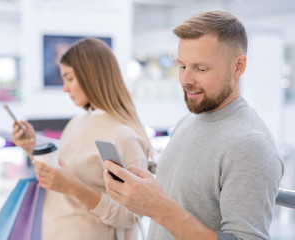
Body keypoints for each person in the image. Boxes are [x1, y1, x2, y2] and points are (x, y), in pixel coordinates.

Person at [103, 9, 284, 240]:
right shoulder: (187, 122)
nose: (186, 80)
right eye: (182, 66)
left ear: (238, 66)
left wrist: (158, 208)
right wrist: (146, 190)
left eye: (201, 68)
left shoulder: (250, 144)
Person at [12, 37, 152, 240]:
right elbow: (61, 176)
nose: (64, 88)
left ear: (91, 76)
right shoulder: (76, 123)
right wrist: (30, 147)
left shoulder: (123, 136)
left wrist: (74, 188)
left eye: (69, 78)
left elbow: (131, 215)